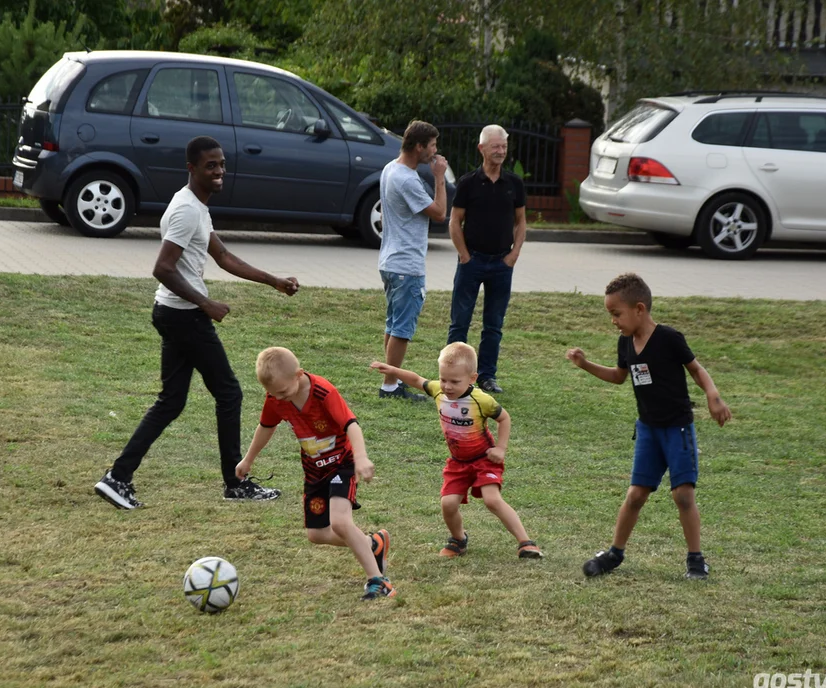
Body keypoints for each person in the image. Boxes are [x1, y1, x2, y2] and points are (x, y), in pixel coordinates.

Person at [94, 136, 300, 510]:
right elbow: (162, 268)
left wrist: (274, 281)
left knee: (171, 402)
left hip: (173, 313)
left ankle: (118, 477)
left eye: (221, 164)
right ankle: (234, 484)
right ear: (192, 168)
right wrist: (205, 303)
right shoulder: (187, 210)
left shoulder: (196, 208)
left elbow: (222, 256)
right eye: (211, 165)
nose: (219, 171)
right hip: (183, 316)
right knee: (229, 393)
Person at [566, 273, 731, 580]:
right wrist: (585, 364)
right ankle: (615, 553)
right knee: (636, 495)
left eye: (617, 314)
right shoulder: (625, 342)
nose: (614, 321)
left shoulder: (669, 338)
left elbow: (696, 369)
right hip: (648, 430)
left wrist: (714, 397)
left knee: (683, 494)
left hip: (677, 429)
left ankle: (696, 559)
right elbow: (619, 376)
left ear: (639, 309)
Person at [236, 347, 395, 601]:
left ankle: (379, 581)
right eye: (273, 393)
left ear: (299, 375)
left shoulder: (323, 392)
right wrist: (248, 459)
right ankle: (372, 544)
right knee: (316, 534)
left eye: (283, 392)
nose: (280, 398)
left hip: (342, 463)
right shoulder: (276, 398)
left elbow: (351, 424)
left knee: (341, 523)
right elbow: (266, 427)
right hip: (314, 470)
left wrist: (362, 457)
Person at [371, 342, 544, 560]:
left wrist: (501, 448)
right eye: (443, 379)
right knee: (448, 503)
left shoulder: (481, 400)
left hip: (484, 459)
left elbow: (504, 418)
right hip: (458, 462)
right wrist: (393, 370)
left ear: (472, 378)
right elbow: (416, 379)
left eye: (455, 381)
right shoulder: (437, 391)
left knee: (492, 500)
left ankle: (526, 543)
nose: (447, 386)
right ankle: (458, 539)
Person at [447, 125, 526, 394]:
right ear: (482, 149)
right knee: (460, 322)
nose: (501, 151)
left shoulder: (514, 183)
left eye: (504, 146)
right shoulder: (468, 183)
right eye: (495, 146)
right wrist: (464, 255)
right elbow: (455, 221)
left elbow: (521, 221)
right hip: (472, 262)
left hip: (502, 264)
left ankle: (487, 376)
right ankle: (452, 374)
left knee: (494, 325)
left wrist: (514, 255)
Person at [377, 119, 449, 402]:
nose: (434, 151)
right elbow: (440, 213)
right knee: (402, 330)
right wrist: (439, 177)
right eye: (432, 145)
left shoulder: (390, 169)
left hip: (391, 261)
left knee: (393, 325)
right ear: (419, 147)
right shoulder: (406, 178)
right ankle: (390, 385)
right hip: (406, 265)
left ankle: (390, 380)